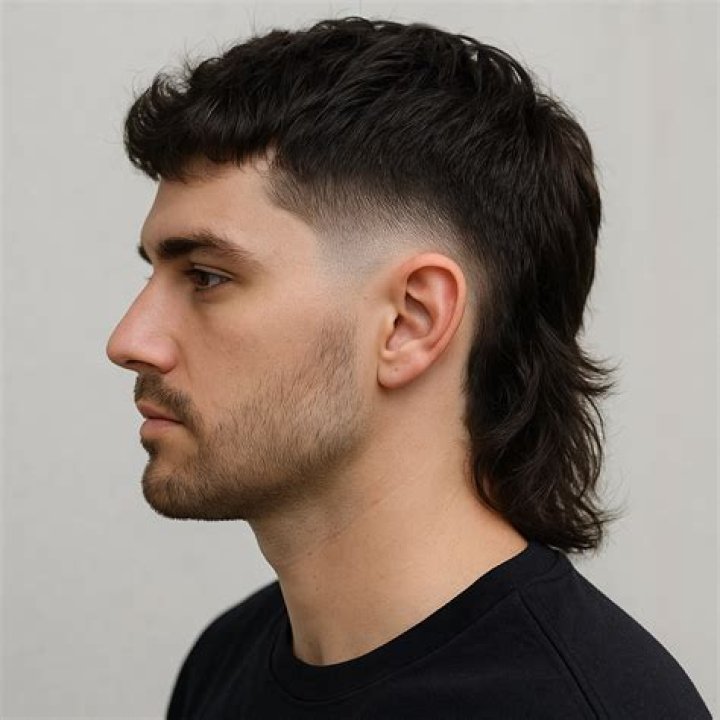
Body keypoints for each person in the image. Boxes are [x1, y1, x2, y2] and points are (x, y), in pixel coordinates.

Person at [106, 17, 711, 719]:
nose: (129, 340)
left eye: (207, 277)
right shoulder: (226, 661)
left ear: (410, 321)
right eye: (154, 275)